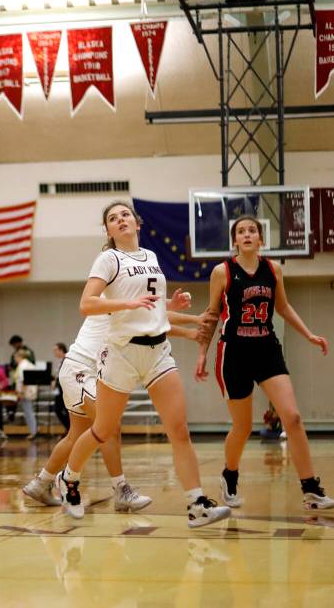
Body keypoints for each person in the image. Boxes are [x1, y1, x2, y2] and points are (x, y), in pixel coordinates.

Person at [58, 201, 231, 528]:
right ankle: (69, 481)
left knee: (179, 430)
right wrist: (127, 302)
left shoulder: (150, 257)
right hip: (121, 353)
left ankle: (196, 504)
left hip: (157, 353)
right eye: (112, 218)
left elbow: (149, 306)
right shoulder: (108, 258)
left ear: (137, 222)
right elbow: (87, 303)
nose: (120, 219)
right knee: (102, 431)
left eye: (125, 214)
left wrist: (170, 305)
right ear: (108, 231)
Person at [196, 215, 334, 511]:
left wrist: (309, 334)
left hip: (266, 349)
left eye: (252, 230)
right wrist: (201, 353)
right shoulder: (222, 272)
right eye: (241, 231)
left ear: (261, 238)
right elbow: (211, 315)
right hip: (233, 352)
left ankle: (310, 487)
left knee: (293, 417)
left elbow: (282, 306)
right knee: (243, 427)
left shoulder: (274, 269)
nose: (247, 235)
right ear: (235, 240)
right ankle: (229, 474)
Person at [23, 318, 151, 511]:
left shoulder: (130, 300)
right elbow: (153, 313)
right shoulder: (114, 295)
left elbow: (155, 314)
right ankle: (121, 489)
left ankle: (41, 483)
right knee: (109, 427)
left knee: (75, 436)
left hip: (81, 370)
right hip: (81, 369)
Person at [9, 348, 38, 438]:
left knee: (28, 411)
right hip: (28, 390)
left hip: (25, 391)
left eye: (15, 357)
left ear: (19, 357)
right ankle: (33, 430)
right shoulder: (28, 364)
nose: (14, 359)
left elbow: (23, 380)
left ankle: (33, 432)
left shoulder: (23, 366)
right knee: (29, 411)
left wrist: (21, 392)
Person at [51, 343, 71, 431]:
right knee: (59, 410)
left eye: (55, 350)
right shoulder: (61, 361)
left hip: (65, 390)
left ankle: (70, 429)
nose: (54, 352)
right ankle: (69, 429)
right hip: (60, 390)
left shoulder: (67, 359)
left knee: (62, 410)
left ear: (61, 350)